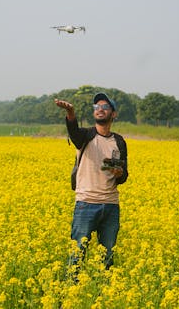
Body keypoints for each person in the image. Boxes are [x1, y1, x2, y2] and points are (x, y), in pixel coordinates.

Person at [55, 93, 128, 271]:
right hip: (86, 204)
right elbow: (73, 131)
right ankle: (72, 289)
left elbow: (124, 176)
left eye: (105, 107)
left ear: (113, 114)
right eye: (97, 107)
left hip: (111, 205)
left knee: (108, 255)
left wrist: (119, 172)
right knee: (77, 254)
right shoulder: (85, 136)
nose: (100, 109)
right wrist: (71, 113)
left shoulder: (119, 141)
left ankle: (106, 293)